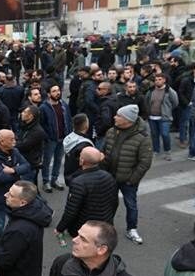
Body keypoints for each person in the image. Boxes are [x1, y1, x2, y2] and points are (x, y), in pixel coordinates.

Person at [101, 104, 153, 244]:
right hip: (110, 177)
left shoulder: (142, 137)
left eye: (118, 115)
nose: (114, 117)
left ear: (127, 120)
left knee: (131, 205)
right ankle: (107, 228)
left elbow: (145, 162)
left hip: (128, 180)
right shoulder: (111, 131)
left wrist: (132, 179)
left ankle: (132, 229)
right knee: (109, 203)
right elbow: (103, 152)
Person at [54, 147, 118, 238]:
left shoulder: (78, 182)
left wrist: (60, 228)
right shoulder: (109, 177)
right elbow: (115, 202)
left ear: (82, 161)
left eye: (80, 156)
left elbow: (71, 211)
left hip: (85, 227)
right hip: (104, 224)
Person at [0, 129, 34, 244]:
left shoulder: (15, 151)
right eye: (11, 139)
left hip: (14, 197)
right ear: (2, 142)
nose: (14, 141)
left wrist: (13, 170)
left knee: (14, 225)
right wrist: (17, 174)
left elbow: (27, 166)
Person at [41, 84, 72, 193]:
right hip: (51, 139)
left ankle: (54, 179)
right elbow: (41, 125)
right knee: (47, 161)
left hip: (63, 138)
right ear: (49, 94)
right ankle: (46, 181)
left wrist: (69, 134)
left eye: (58, 90)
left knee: (58, 160)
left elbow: (68, 120)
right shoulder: (44, 108)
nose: (57, 93)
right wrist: (47, 137)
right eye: (54, 91)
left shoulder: (64, 105)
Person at [145, 73, 179, 160]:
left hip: (164, 118)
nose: (157, 81)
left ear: (164, 80)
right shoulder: (151, 90)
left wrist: (167, 110)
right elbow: (146, 101)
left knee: (165, 134)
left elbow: (175, 103)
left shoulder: (169, 91)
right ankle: (156, 150)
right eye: (156, 80)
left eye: (159, 79)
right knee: (154, 135)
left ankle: (167, 152)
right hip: (152, 117)